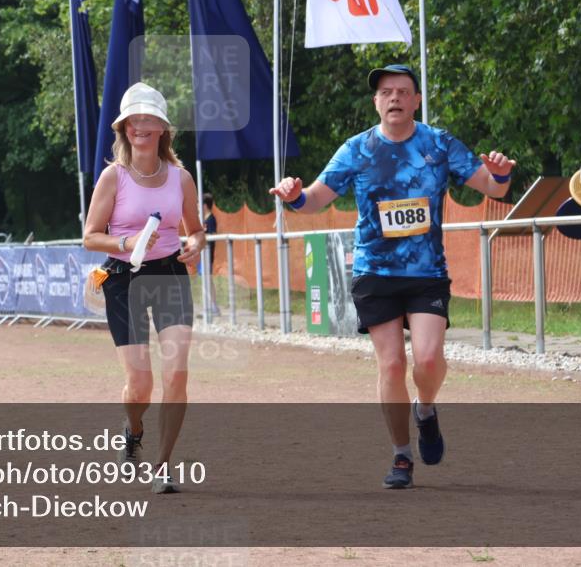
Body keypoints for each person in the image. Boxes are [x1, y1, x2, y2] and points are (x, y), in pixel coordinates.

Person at [270, 64, 515, 489]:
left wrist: (502, 171)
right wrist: (294, 197)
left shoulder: (439, 144)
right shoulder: (356, 149)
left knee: (427, 359)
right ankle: (401, 455)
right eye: (386, 92)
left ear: (417, 100)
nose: (395, 98)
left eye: (403, 91)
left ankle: (426, 409)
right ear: (376, 102)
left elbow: (494, 190)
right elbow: (315, 199)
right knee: (391, 363)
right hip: (375, 272)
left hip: (426, 273)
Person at [83, 82, 206, 494]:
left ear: (162, 128)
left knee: (176, 374)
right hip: (122, 279)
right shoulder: (112, 177)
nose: (140, 126)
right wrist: (127, 243)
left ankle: (164, 465)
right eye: (133, 119)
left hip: (170, 274)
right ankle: (132, 428)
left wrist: (194, 246)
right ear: (124, 127)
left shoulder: (181, 178)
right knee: (140, 385)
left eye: (148, 118)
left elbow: (197, 230)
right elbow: (89, 237)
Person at [201, 193, 221, 316]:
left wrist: (204, 236)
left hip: (208, 253)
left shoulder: (211, 219)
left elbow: (213, 235)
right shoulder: (203, 219)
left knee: (208, 279)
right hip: (203, 253)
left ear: (204, 205)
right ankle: (209, 305)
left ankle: (213, 306)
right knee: (205, 280)